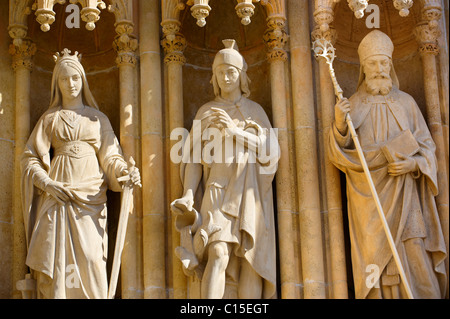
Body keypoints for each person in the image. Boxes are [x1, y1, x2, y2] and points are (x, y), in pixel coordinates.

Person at [328, 30, 447, 299]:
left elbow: (428, 148)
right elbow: (340, 152)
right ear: (363, 67)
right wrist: (338, 123)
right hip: (369, 199)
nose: (379, 69)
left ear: (391, 65)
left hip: (406, 193)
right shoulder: (353, 105)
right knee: (375, 261)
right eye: (373, 63)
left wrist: (413, 165)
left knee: (414, 247)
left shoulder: (406, 103)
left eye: (384, 63)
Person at [21, 48, 140, 299]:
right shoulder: (49, 119)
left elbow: (111, 157)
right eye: (64, 79)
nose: (70, 83)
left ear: (82, 80)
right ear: (57, 83)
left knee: (92, 258)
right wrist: (47, 184)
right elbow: (30, 157)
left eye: (75, 78)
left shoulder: (98, 119)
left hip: (90, 198)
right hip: (57, 197)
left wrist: (124, 174)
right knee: (57, 264)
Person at [171, 39, 279, 299]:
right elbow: (194, 158)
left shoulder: (254, 111)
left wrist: (234, 131)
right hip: (217, 191)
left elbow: (271, 151)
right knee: (218, 252)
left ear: (241, 75)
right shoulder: (207, 112)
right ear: (214, 77)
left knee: (249, 262)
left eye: (231, 72)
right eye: (220, 72)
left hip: (251, 193)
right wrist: (188, 193)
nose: (226, 77)